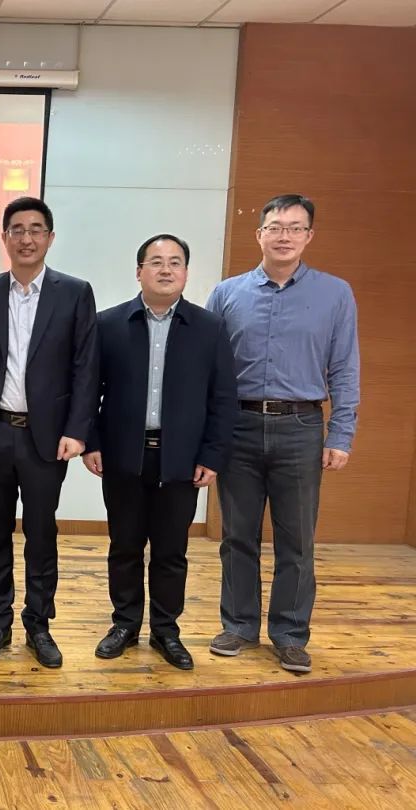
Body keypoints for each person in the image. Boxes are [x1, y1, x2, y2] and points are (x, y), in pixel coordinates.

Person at [206, 194, 360, 673]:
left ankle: (290, 634)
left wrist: (341, 434)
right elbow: (208, 371)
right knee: (237, 535)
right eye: (275, 227)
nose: (284, 236)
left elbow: (345, 368)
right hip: (238, 427)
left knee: (297, 540)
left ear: (309, 236)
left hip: (301, 427)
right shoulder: (227, 294)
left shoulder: (335, 294)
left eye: (295, 228)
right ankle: (238, 625)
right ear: (260, 235)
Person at [0, 197, 99, 669]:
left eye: (36, 229)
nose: (27, 238)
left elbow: (86, 367)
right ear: (5, 238)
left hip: (46, 438)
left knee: (41, 534)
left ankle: (39, 625)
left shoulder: (74, 293)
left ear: (50, 238)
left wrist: (78, 430)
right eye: (17, 229)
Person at [84, 234, 237, 670]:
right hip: (123, 456)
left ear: (186, 272)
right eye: (155, 262)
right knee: (125, 546)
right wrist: (91, 442)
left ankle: (166, 631)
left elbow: (223, 399)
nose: (165, 269)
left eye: (175, 262)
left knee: (171, 551)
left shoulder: (209, 328)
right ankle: (125, 625)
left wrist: (212, 455)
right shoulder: (109, 324)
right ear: (139, 272)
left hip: (181, 460)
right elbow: (89, 390)